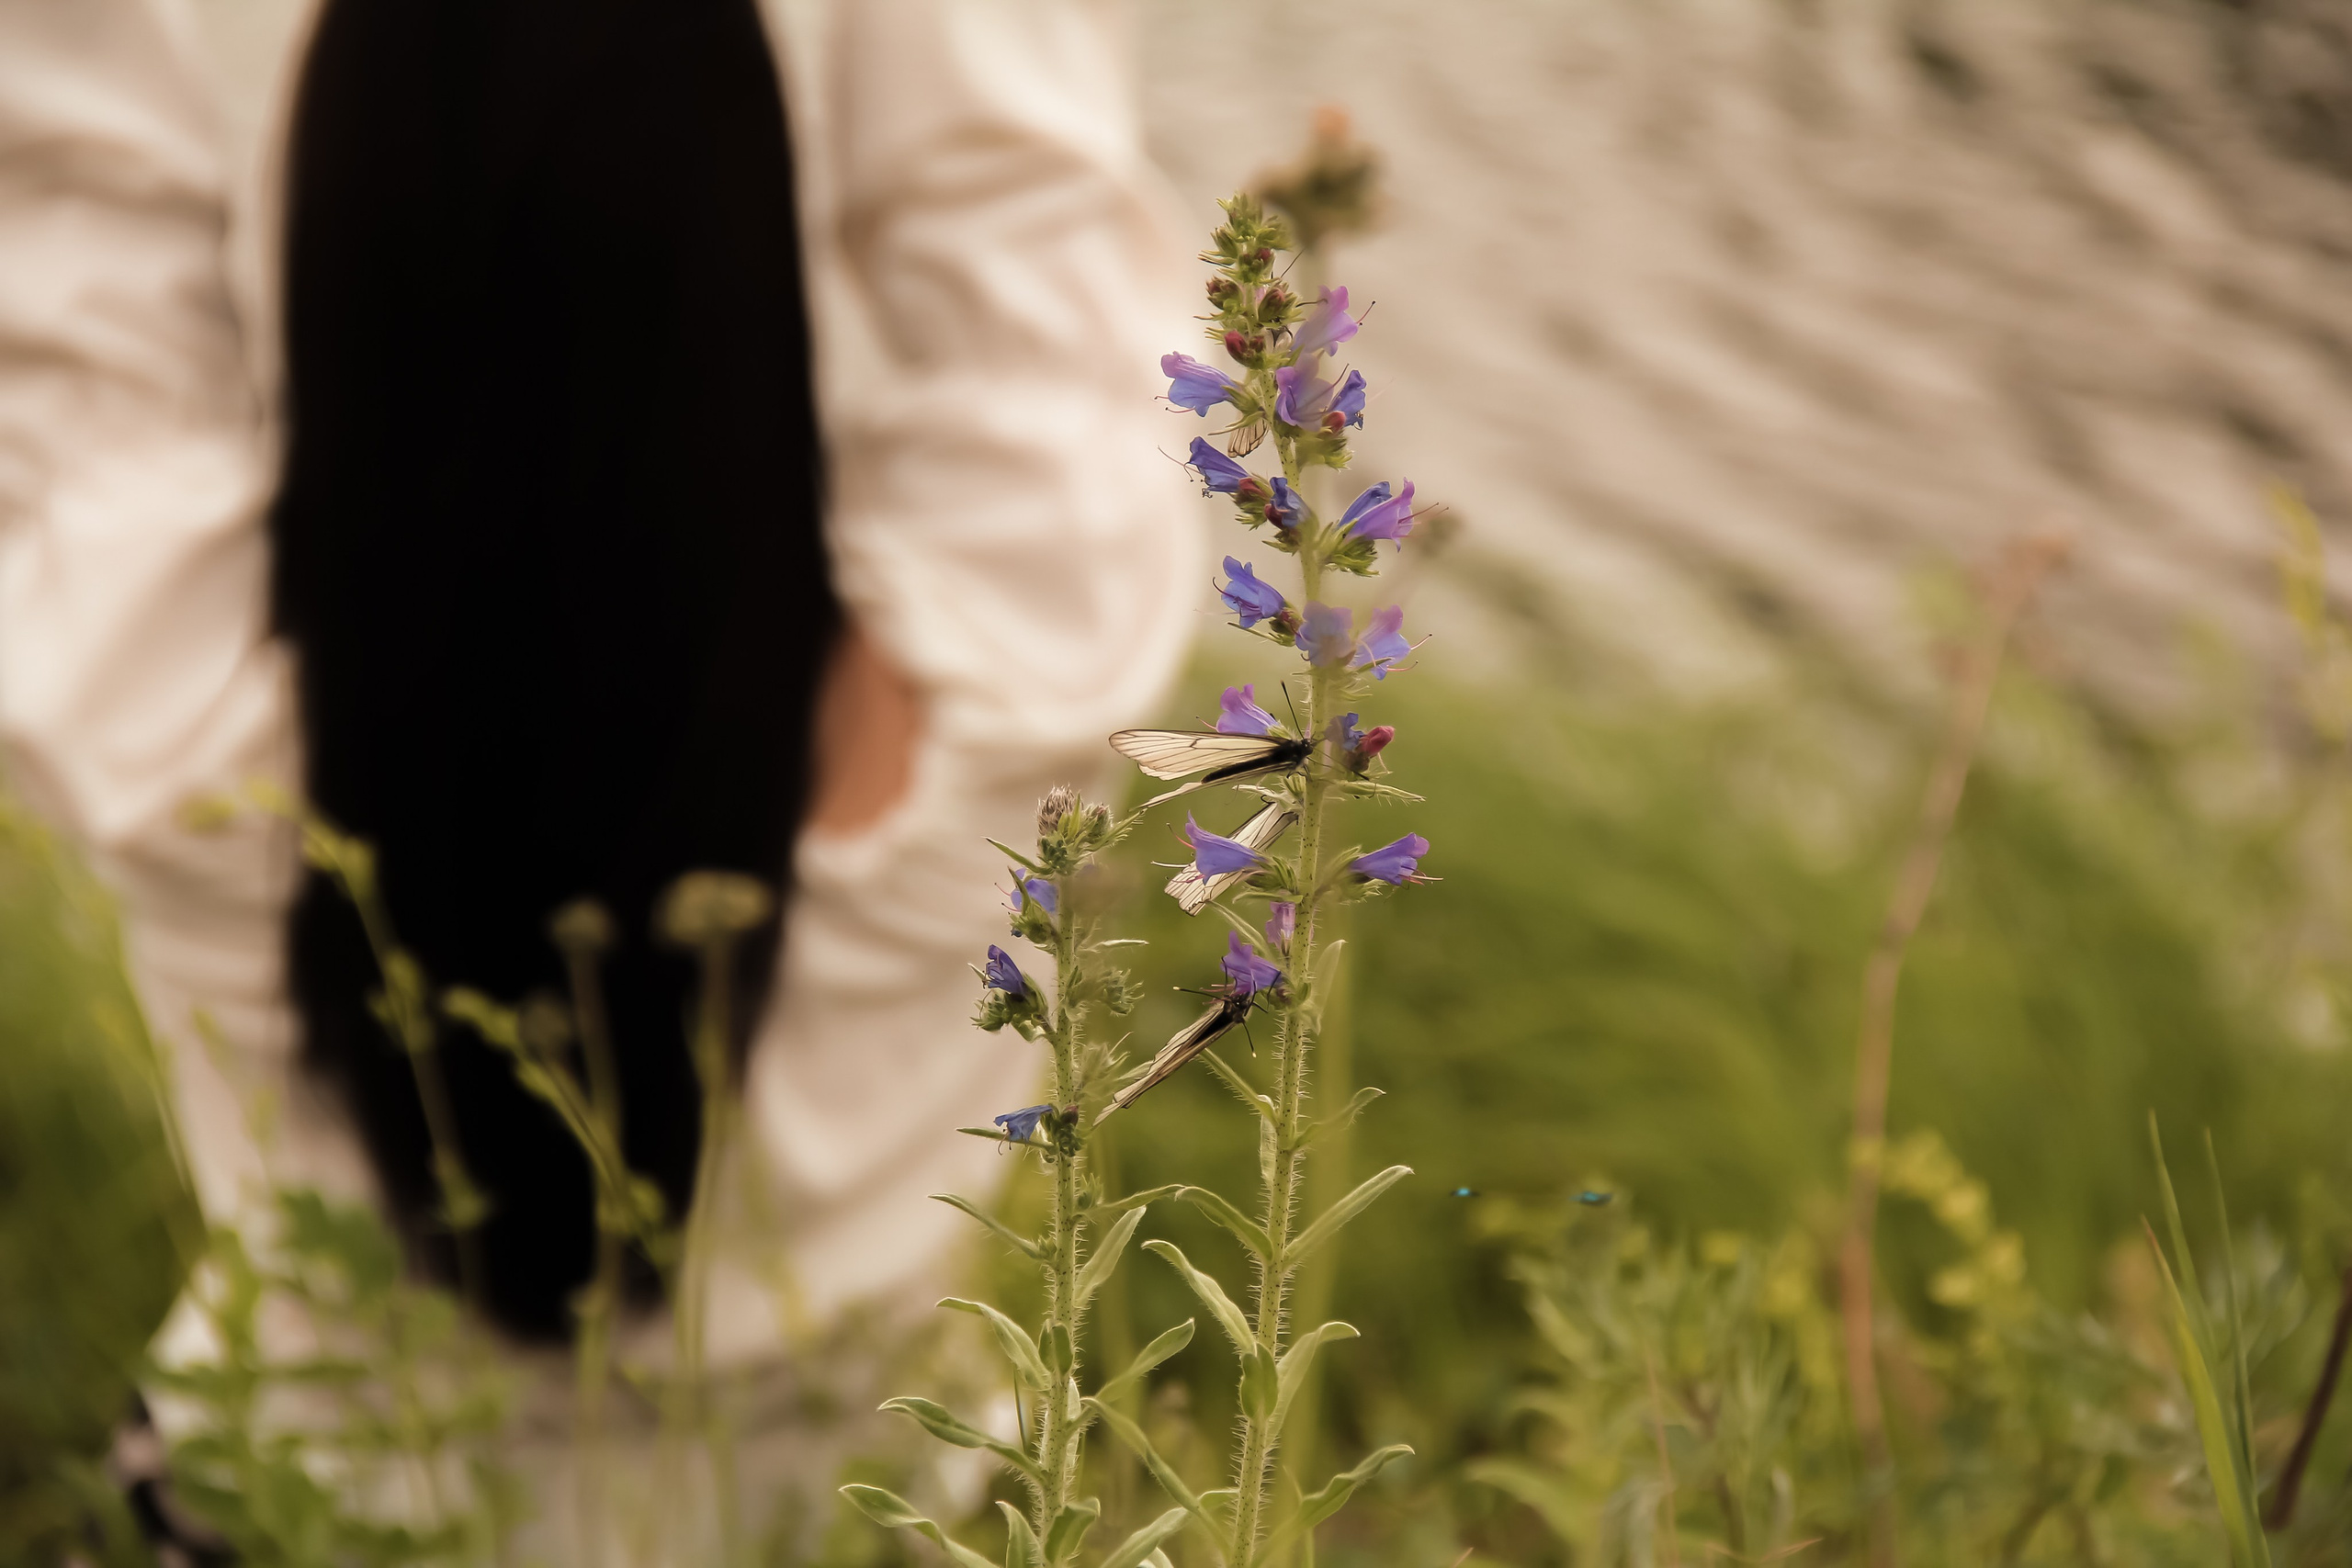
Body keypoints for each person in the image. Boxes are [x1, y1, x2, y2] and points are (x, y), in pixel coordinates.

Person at [0, 0, 1198, 1541]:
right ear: (757, 282)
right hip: (860, 1537)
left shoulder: (166, 704)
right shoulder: (1032, 644)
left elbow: (58, 191)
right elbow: (1009, 196)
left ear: (323, 265)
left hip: (305, 1524)